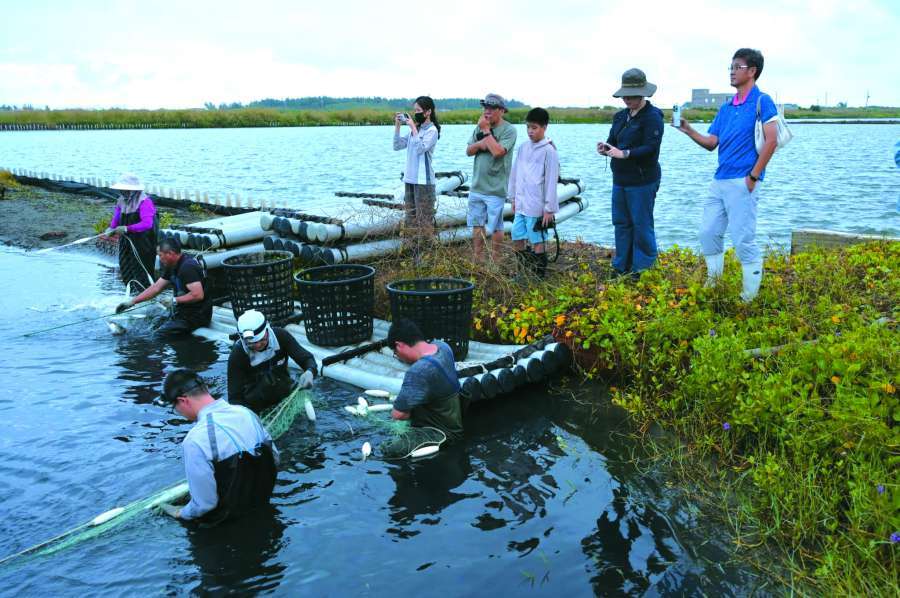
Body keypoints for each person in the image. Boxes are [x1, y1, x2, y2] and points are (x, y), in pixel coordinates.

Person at [675, 48, 779, 302]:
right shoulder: (726, 107)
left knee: (743, 239)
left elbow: (772, 140)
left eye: (738, 67)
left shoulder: (761, 101)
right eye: (730, 67)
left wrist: (753, 177)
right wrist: (689, 130)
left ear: (752, 71)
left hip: (743, 180)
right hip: (719, 179)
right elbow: (712, 142)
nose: (732, 72)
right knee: (708, 232)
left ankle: (748, 298)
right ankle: (714, 285)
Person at [157, 369, 278, 524]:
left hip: (226, 525)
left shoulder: (194, 440)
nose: (177, 412)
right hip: (264, 509)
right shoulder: (247, 413)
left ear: (183, 400)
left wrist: (181, 512)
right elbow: (275, 459)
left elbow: (205, 504)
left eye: (174, 408)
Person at [597, 68, 664, 277]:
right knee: (621, 222)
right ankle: (621, 265)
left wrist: (624, 153)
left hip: (643, 179)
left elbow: (651, 148)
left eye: (632, 95)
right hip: (620, 179)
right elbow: (613, 141)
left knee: (641, 223)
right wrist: (606, 149)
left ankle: (642, 269)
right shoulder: (620, 116)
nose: (627, 99)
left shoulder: (653, 117)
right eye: (625, 95)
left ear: (643, 94)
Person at [380, 318, 464, 459]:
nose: (398, 357)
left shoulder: (418, 372)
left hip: (441, 433)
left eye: (396, 353)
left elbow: (398, 415)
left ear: (399, 345)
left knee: (388, 449)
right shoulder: (443, 347)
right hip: (455, 422)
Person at [116, 236, 212, 335]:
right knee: (153, 322)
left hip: (197, 316)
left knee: (157, 334)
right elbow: (156, 288)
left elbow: (198, 295)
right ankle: (126, 334)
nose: (160, 259)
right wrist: (132, 302)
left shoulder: (188, 267)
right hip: (182, 312)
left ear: (170, 253)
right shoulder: (172, 266)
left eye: (160, 255)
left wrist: (174, 300)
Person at [227, 309, 318, 414]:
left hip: (284, 392)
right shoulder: (238, 354)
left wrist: (310, 371)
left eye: (262, 340)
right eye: (251, 344)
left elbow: (307, 359)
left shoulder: (281, 336)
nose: (257, 345)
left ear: (267, 329)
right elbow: (234, 398)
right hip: (255, 403)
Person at [507, 107, 559, 279]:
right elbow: (515, 173)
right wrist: (513, 197)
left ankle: (538, 276)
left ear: (544, 127)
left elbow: (552, 180)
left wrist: (549, 208)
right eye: (528, 127)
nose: (530, 131)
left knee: (537, 239)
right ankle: (522, 273)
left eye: (534, 127)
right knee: (517, 236)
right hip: (521, 203)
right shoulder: (523, 147)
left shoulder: (549, 151)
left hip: (537, 205)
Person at [466, 93, 517, 264]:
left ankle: (496, 261)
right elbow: (468, 150)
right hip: (477, 185)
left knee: (496, 225)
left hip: (496, 187)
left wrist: (486, 131)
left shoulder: (509, 130)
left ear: (501, 111)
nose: (487, 112)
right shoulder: (479, 126)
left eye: (491, 108)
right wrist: (480, 144)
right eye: (485, 108)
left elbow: (497, 152)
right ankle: (478, 259)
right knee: (477, 223)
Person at [393, 96, 441, 255]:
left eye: (418, 111)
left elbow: (421, 148)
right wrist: (398, 126)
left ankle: (427, 255)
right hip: (410, 179)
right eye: (414, 111)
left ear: (428, 112)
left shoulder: (432, 131)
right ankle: (413, 253)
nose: (416, 113)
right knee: (411, 218)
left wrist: (413, 126)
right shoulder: (417, 129)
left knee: (424, 219)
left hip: (424, 181)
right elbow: (397, 145)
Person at [103, 173, 158, 291]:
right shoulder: (121, 201)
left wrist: (128, 228)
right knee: (125, 267)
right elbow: (116, 217)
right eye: (121, 189)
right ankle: (131, 294)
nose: (123, 192)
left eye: (125, 189)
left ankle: (146, 295)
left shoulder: (145, 202)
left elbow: (147, 224)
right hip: (126, 240)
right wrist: (111, 228)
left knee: (141, 269)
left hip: (143, 242)